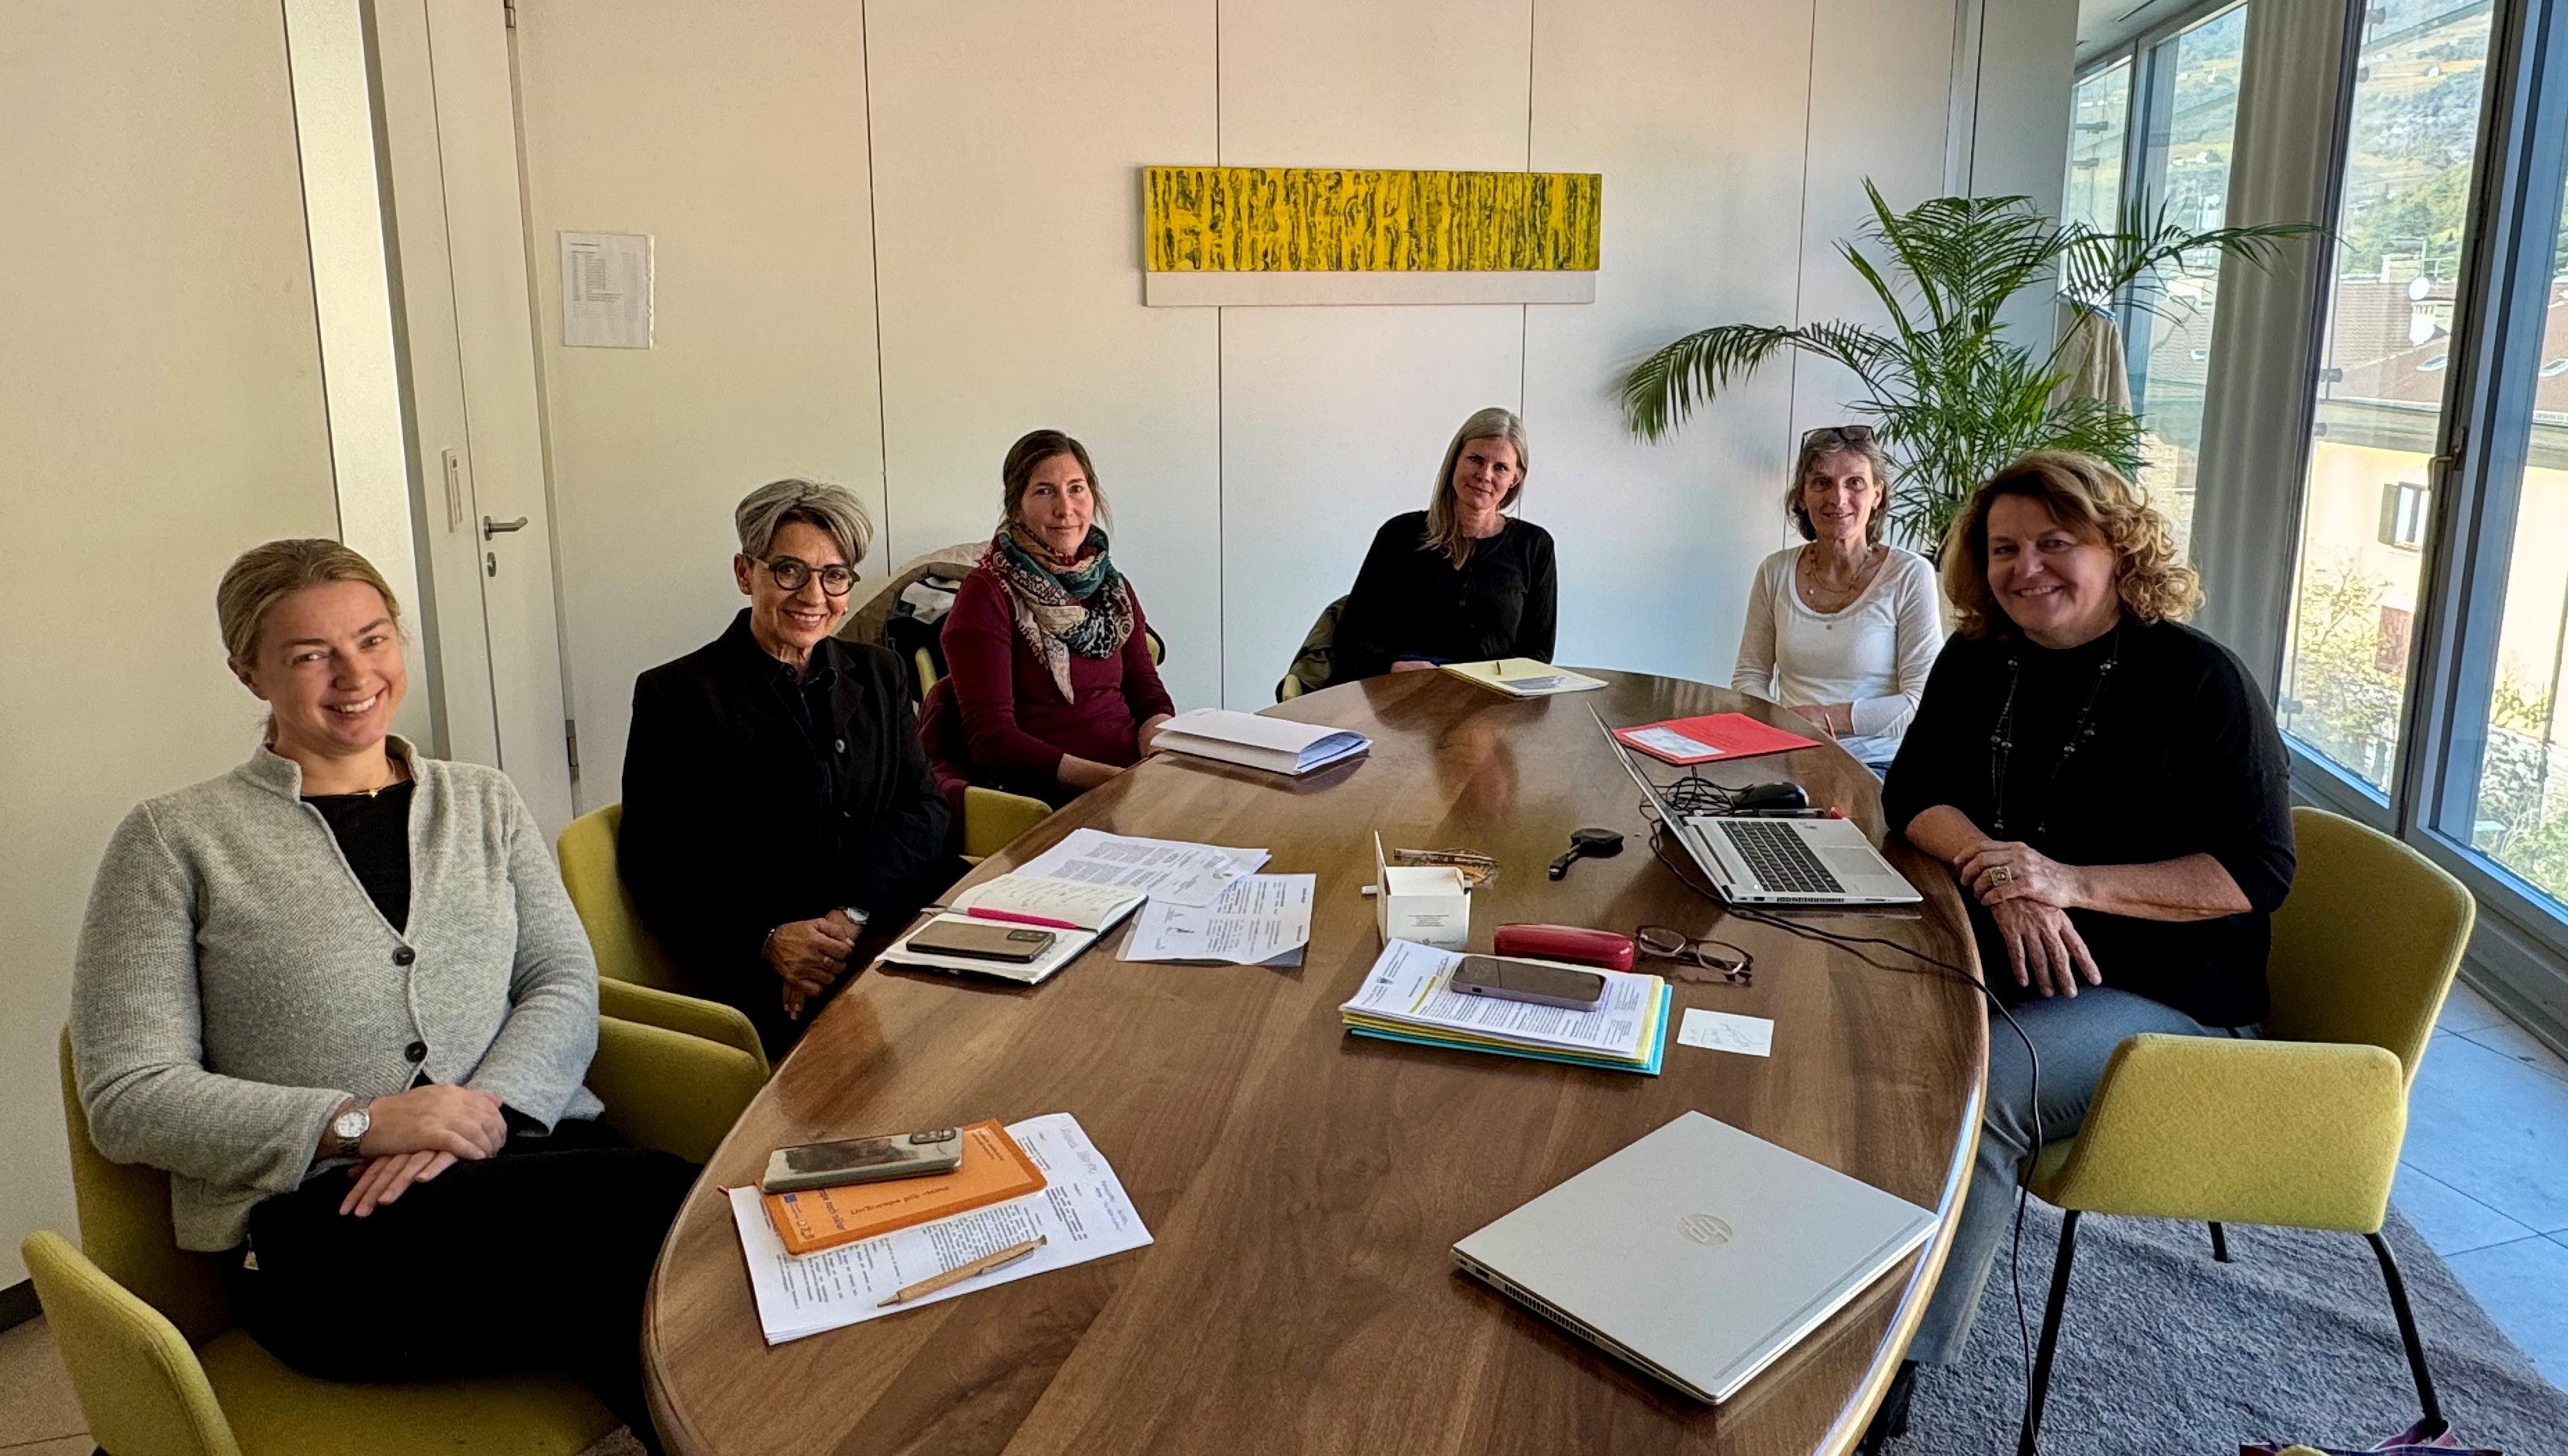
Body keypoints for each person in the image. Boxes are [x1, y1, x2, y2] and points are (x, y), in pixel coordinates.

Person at [71, 539, 693, 1453]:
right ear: (249, 672)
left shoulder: (483, 801)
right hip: (331, 1233)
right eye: (310, 654)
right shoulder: (174, 840)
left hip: (533, 1157)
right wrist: (362, 1123)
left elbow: (558, 978)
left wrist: (475, 1112)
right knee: (669, 1221)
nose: (355, 674)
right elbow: (128, 1098)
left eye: (372, 638)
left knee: (641, 1274)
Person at [1866, 452, 2293, 1447]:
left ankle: (1892, 1371)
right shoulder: (1978, 658)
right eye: (2005, 548)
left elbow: (2258, 870)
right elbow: (1914, 792)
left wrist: (2066, 883)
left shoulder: (2200, 680)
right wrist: (1997, 868)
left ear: (2117, 549)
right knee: (1853, 1011)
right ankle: (1831, 1269)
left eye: (2057, 544)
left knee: (1984, 1086)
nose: (2027, 570)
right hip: (2011, 949)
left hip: (2172, 994)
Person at [621, 479, 955, 1057]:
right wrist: (770, 939)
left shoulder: (878, 671)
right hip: (759, 970)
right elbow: (655, 860)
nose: (813, 595)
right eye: (788, 571)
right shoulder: (676, 695)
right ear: (744, 572)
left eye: (834, 575)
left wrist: (849, 917)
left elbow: (923, 808)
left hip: (881, 928)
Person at [923, 429, 1174, 808]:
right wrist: (1114, 782)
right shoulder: (987, 596)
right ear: (1016, 505)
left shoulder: (1112, 589)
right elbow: (993, 741)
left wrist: (1157, 759)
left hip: (1130, 785)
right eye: (1044, 491)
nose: (1065, 509)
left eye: (1076, 488)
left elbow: (1148, 693)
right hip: (1045, 801)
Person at [1730, 424, 1942, 771]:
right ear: (1802, 496)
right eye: (1822, 482)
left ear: (1877, 495)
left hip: (1880, 766)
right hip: (1790, 758)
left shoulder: (1909, 574)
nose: (1838, 498)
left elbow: (1922, 702)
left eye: (1854, 483)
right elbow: (1749, 676)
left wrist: (1821, 718)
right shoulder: (1774, 571)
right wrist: (1783, 728)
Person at [1328, 406, 1558, 683]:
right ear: (1455, 461)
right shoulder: (1399, 534)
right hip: (1398, 697)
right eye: (1475, 459)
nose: (1485, 475)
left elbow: (1538, 654)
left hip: (1490, 705)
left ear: (1516, 478)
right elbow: (1350, 636)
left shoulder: (1535, 546)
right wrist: (1391, 666)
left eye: (1500, 467)